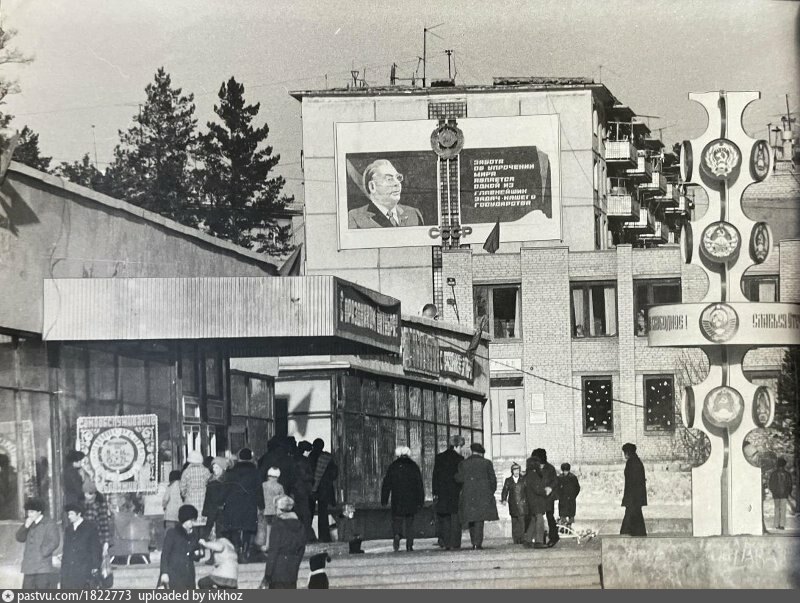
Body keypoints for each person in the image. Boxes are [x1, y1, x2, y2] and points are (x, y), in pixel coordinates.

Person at [348, 159, 424, 229]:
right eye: (389, 179)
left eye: (398, 178)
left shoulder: (413, 213)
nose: (397, 183)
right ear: (372, 186)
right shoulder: (355, 217)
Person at [224, 448, 265, 563]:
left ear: (239, 458)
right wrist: (261, 505)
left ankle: (237, 549)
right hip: (249, 503)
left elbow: (226, 488)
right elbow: (259, 490)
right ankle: (245, 551)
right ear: (250, 458)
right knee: (248, 528)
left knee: (235, 527)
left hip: (233, 503)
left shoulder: (231, 471)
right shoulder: (255, 472)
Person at [455, 443, 498, 550]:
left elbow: (459, 479)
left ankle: (474, 541)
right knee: (479, 519)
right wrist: (490, 492)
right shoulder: (487, 463)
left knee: (471, 518)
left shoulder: (463, 463)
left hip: (468, 495)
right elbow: (493, 480)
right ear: (481, 452)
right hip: (483, 495)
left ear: (472, 451)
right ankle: (477, 543)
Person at [380, 446, 424, 552]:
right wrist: (420, 500)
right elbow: (419, 484)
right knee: (410, 523)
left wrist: (384, 499)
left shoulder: (393, 466)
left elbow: (387, 484)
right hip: (411, 499)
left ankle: (397, 534)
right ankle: (409, 544)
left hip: (397, 499)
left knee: (397, 520)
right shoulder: (413, 466)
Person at [260, 496, 307, 589]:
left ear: (280, 510)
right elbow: (302, 549)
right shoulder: (300, 526)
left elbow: (273, 551)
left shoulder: (278, 525)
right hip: (292, 572)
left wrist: (267, 575)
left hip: (277, 573)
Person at [16, 498, 60, 589]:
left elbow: (54, 541)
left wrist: (42, 553)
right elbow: (19, 538)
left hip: (42, 568)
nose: (29, 515)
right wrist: (25, 526)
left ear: (39, 511)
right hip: (29, 567)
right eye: (28, 512)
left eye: (32, 512)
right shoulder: (29, 523)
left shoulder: (49, 523)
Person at [432, 435, 464, 550]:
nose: (461, 449)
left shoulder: (439, 457)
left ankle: (446, 542)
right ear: (456, 446)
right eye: (460, 447)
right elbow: (461, 477)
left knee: (444, 518)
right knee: (455, 518)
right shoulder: (460, 459)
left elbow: (435, 476)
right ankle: (455, 542)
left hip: (442, 492)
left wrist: (435, 491)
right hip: (455, 492)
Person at [160, 505, 202, 589]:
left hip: (189, 575)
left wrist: (199, 553)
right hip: (174, 574)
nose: (192, 522)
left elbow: (195, 555)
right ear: (184, 519)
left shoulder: (194, 534)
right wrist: (164, 572)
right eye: (190, 520)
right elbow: (165, 554)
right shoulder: (172, 533)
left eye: (193, 520)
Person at [60, 502, 102, 589]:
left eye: (71, 514)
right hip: (69, 570)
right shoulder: (68, 529)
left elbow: (95, 548)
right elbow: (66, 549)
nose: (69, 516)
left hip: (85, 569)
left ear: (79, 514)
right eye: (68, 514)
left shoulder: (90, 527)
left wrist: (95, 566)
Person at [202, 458, 230, 565]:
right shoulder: (211, 480)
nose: (214, 469)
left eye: (217, 467)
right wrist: (205, 511)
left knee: (221, 535)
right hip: (212, 511)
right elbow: (207, 497)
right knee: (212, 535)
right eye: (213, 467)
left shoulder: (226, 481)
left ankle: (220, 556)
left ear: (222, 468)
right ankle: (212, 556)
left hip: (222, 511)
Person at [309, 438, 338, 543]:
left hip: (311, 489)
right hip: (324, 490)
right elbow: (334, 474)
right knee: (323, 514)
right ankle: (324, 536)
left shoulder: (311, 457)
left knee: (309, 513)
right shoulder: (327, 458)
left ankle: (309, 535)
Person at [522, 454, 550, 549]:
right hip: (537, 501)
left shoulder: (528, 475)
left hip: (531, 501)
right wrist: (545, 491)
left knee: (533, 520)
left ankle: (528, 540)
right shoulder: (534, 475)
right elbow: (538, 489)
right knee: (540, 520)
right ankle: (539, 541)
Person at [533, 448, 559, 546]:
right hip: (538, 496)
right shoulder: (534, 468)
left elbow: (555, 480)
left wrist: (550, 488)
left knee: (549, 516)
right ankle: (540, 538)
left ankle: (554, 537)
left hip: (548, 497)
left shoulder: (550, 468)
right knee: (538, 517)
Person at [620, 442, 647, 537]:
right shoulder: (636, 461)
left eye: (625, 453)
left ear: (628, 452)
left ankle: (626, 534)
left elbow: (633, 481)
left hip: (633, 496)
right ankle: (638, 533)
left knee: (630, 515)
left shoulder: (632, 463)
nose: (624, 455)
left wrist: (629, 498)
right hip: (636, 496)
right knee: (636, 515)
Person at [82, 482, 113, 561]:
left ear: (95, 494)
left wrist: (106, 543)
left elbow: (104, 524)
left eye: (90, 493)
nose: (87, 496)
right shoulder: (80, 504)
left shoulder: (101, 504)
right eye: (85, 493)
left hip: (96, 539)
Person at [292, 441, 315, 541]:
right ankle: (308, 536)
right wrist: (312, 478)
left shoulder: (294, 459)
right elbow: (305, 476)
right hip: (303, 490)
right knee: (306, 514)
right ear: (305, 451)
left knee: (298, 514)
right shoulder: (304, 461)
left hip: (295, 489)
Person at [181, 450, 210, 530]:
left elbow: (182, 488)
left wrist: (185, 495)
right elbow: (209, 485)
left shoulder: (186, 472)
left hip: (190, 502)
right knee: (203, 526)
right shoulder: (206, 471)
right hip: (203, 502)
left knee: (192, 526)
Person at [501, 462, 527, 544]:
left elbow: (527, 490)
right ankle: (516, 539)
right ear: (512, 471)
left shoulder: (523, 479)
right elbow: (505, 490)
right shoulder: (508, 480)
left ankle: (522, 538)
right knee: (514, 522)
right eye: (515, 470)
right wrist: (504, 499)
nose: (516, 472)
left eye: (518, 470)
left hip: (522, 503)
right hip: (513, 504)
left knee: (522, 521)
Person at [262, 467, 285, 551]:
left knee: (265, 528)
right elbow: (282, 499)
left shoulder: (263, 485)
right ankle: (274, 545)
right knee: (274, 529)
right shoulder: (279, 486)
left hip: (265, 510)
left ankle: (266, 544)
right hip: (275, 511)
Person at [769, 457, 793, 530]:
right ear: (784, 465)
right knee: (783, 509)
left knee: (777, 509)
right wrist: (788, 492)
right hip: (784, 494)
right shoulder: (787, 474)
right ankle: (782, 525)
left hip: (776, 494)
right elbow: (790, 484)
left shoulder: (773, 474)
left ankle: (776, 525)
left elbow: (771, 484)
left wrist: (773, 491)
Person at [557, 463, 581, 527]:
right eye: (564, 471)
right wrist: (559, 495)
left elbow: (577, 488)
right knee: (562, 514)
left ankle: (570, 526)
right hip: (562, 499)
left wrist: (573, 496)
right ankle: (563, 526)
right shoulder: (560, 478)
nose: (565, 472)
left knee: (571, 514)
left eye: (566, 471)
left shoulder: (573, 477)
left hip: (571, 499)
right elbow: (557, 488)